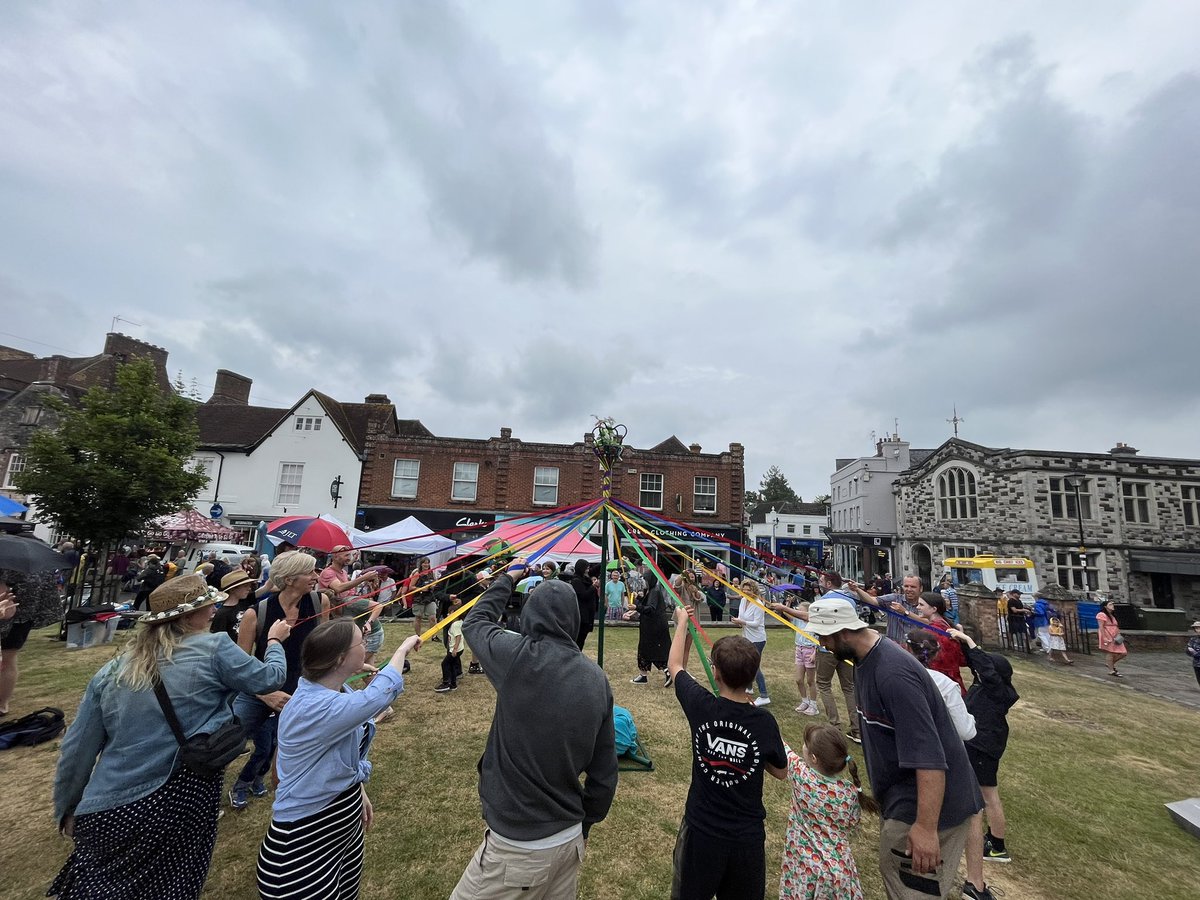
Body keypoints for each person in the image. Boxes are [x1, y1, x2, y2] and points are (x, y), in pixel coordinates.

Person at [50, 575, 290, 899]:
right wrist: (275, 641)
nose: (213, 611)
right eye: (208, 606)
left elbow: (78, 747)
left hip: (105, 810)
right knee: (173, 886)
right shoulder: (214, 648)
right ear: (189, 616)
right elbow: (271, 677)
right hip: (179, 799)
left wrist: (67, 807)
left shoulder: (112, 670)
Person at [450, 559, 616, 899]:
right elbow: (605, 771)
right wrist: (587, 823)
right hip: (569, 839)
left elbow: (476, 622)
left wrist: (507, 578)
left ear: (530, 614)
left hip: (519, 847)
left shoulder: (516, 657)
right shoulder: (596, 678)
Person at [802, 596, 983, 900]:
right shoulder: (865, 661)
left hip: (927, 808)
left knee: (912, 891)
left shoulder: (893, 674)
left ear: (843, 632)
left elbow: (930, 757)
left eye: (823, 637)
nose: (822, 644)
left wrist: (926, 828)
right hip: (904, 799)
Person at [256, 621, 421, 899]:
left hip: (340, 836)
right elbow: (379, 695)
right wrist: (403, 647)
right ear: (340, 659)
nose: (366, 645)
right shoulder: (317, 707)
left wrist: (357, 789)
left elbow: (339, 753)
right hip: (301, 856)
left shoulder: (333, 691)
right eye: (361, 642)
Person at [667, 603, 787, 899]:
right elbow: (781, 771)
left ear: (716, 673)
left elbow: (675, 668)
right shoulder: (763, 721)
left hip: (701, 831)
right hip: (746, 837)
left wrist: (683, 621)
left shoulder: (701, 706)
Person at [229, 551, 330, 811]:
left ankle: (258, 782)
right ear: (288, 579)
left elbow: (324, 650)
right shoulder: (258, 613)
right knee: (228, 739)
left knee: (286, 746)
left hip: (302, 691)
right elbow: (241, 665)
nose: (315, 577)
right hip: (259, 691)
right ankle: (227, 786)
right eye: (310, 572)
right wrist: (265, 695)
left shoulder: (320, 603)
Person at [943, 625, 1019, 900]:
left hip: (981, 747)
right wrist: (963, 640)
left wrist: (971, 642)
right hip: (982, 745)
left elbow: (985, 667)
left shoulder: (995, 690)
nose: (976, 669)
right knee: (987, 796)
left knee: (988, 797)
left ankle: (997, 846)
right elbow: (981, 665)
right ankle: (993, 842)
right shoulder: (989, 687)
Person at [779, 723, 879, 900]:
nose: (803, 746)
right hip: (840, 869)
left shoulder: (802, 776)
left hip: (805, 865)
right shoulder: (850, 792)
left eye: (806, 744)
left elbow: (783, 749)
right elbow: (852, 821)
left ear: (814, 758)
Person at [1, 568, 61, 716]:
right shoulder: (33, 563)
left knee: (8, 659)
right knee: (9, 659)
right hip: (21, 615)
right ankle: (2, 704)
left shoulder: (13, 564)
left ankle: (2, 703)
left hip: (16, 615)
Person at [810, 572, 862, 743]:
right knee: (849, 687)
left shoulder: (822, 601)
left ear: (829, 583)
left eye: (822, 581)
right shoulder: (851, 600)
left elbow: (817, 624)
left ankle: (835, 726)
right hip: (848, 648)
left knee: (823, 684)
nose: (820, 583)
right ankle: (857, 729)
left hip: (828, 649)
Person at [903, 631, 976, 742]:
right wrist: (971, 719)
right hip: (935, 750)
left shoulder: (890, 677)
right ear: (936, 653)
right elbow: (965, 731)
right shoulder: (945, 685)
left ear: (907, 648)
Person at [772, 599, 820, 716]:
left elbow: (820, 639)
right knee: (799, 679)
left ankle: (813, 705)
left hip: (810, 650)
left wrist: (815, 653)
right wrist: (786, 604)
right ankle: (804, 701)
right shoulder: (797, 621)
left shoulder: (813, 622)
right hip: (799, 649)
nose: (797, 612)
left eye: (800, 611)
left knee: (810, 680)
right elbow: (787, 614)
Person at [914, 592, 967, 694]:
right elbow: (962, 660)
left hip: (941, 685)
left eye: (921, 605)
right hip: (953, 683)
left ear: (934, 609)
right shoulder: (946, 625)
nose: (917, 607)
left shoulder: (930, 632)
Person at [848, 574, 922, 645]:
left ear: (920, 588)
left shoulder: (927, 604)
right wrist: (857, 589)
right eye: (906, 586)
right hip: (896, 648)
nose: (909, 589)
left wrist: (905, 612)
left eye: (913, 587)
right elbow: (872, 601)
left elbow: (928, 623)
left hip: (917, 650)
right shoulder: (894, 599)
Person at [731, 579, 771, 706]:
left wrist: (741, 622)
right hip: (746, 637)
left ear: (754, 591)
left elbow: (757, 623)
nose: (746, 591)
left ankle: (764, 695)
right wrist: (737, 621)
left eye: (749, 589)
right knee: (746, 662)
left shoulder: (759, 604)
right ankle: (749, 687)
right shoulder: (743, 600)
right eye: (744, 589)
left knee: (754, 666)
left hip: (758, 639)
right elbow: (742, 617)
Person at [627, 575, 672, 686]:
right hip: (651, 626)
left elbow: (651, 608)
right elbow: (646, 604)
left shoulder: (654, 591)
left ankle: (667, 671)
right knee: (646, 650)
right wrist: (639, 599)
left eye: (645, 580)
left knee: (653, 650)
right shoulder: (651, 591)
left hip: (653, 627)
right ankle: (643, 675)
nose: (644, 582)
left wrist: (636, 608)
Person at [210, 569, 258, 642]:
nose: (249, 588)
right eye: (245, 586)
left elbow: (266, 588)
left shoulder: (244, 603)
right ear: (232, 589)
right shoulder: (222, 614)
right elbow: (217, 640)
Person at [1030, 591, 1072, 664]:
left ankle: (1048, 648)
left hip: (1040, 621)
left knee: (1041, 634)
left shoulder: (1037, 604)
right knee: (1047, 635)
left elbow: (1040, 613)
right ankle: (1046, 647)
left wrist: (1033, 612)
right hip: (1048, 621)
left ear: (1036, 597)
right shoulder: (1046, 603)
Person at [435, 596, 466, 693]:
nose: (448, 614)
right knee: (452, 665)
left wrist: (454, 649)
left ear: (456, 615)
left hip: (455, 649)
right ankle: (453, 684)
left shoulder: (455, 625)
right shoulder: (460, 622)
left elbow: (458, 637)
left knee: (445, 664)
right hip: (458, 649)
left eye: (449, 613)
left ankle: (446, 683)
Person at [406, 557, 440, 642]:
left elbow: (435, 582)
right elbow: (411, 587)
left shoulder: (431, 573)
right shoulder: (417, 574)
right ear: (421, 564)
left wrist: (433, 585)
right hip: (419, 598)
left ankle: (433, 635)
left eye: (428, 563)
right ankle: (417, 636)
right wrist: (421, 589)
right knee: (418, 617)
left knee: (433, 617)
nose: (426, 565)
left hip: (430, 597)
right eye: (424, 563)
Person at [569, 558, 599, 651]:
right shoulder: (576, 580)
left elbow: (595, 570)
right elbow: (583, 595)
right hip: (581, 614)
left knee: (582, 639)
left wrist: (604, 562)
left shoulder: (585, 578)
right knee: (579, 639)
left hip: (588, 613)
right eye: (586, 568)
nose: (588, 570)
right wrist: (593, 587)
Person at [1095, 599, 1128, 677]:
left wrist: (1119, 634)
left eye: (1112, 604)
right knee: (1111, 652)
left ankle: (1110, 664)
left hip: (1115, 635)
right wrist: (1105, 637)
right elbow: (1101, 627)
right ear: (1105, 606)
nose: (1112, 606)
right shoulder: (1102, 614)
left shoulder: (1112, 615)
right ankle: (1111, 670)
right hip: (1107, 634)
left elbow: (1116, 626)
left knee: (1123, 653)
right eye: (1110, 604)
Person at [1187, 621, 1200, 689]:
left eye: (1199, 628)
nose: (1198, 630)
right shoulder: (1193, 639)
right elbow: (1188, 649)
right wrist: (1192, 652)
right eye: (1196, 628)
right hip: (1196, 664)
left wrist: (1195, 653)